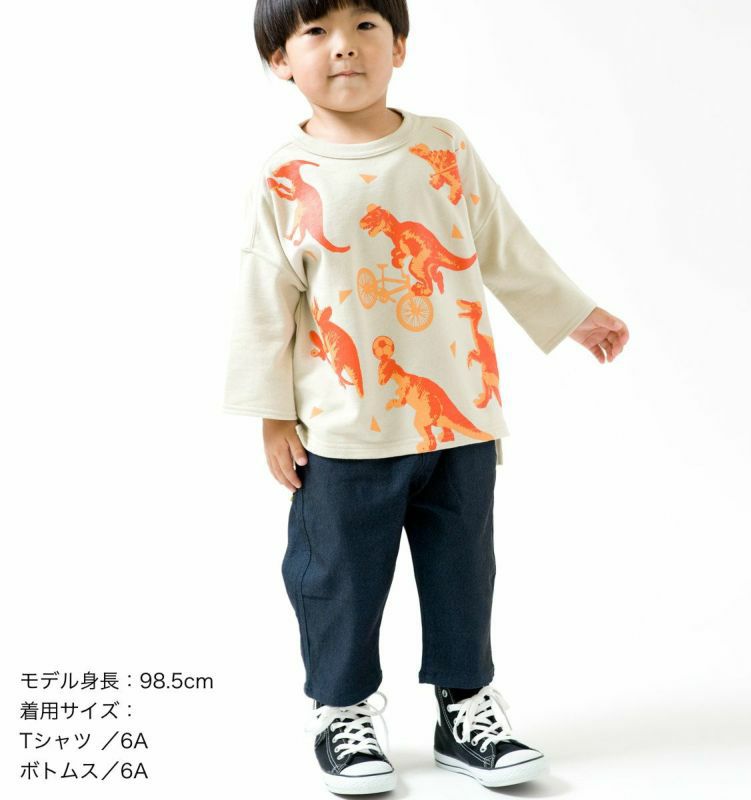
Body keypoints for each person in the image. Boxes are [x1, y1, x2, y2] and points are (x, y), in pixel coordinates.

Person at [223, 0, 629, 793]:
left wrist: (576, 314)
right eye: (315, 32)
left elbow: (503, 243)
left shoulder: (442, 146)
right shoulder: (283, 177)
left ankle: (465, 709)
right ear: (280, 61)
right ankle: (342, 711)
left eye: (365, 26)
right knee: (338, 577)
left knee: (463, 572)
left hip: (460, 418)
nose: (344, 48)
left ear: (400, 45)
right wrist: (272, 416)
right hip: (343, 431)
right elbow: (261, 301)